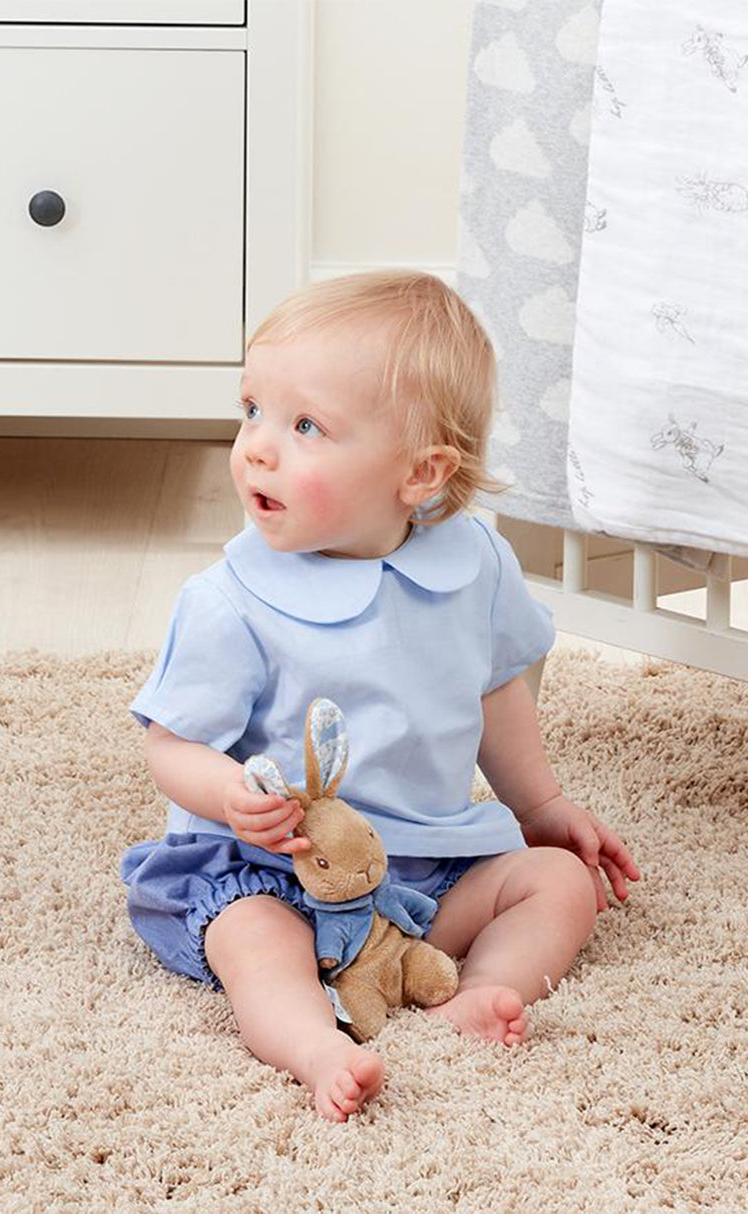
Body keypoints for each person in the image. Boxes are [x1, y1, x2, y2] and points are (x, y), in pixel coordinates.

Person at [121, 270, 640, 1123]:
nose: (256, 446)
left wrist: (541, 805)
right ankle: (313, 1044)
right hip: (274, 868)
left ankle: (479, 990)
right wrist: (230, 798)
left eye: (306, 426)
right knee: (253, 942)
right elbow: (168, 744)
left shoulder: (471, 564)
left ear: (420, 473)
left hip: (425, 869)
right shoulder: (229, 600)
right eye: (252, 409)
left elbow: (496, 688)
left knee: (558, 884)